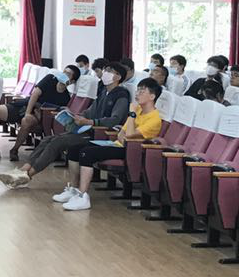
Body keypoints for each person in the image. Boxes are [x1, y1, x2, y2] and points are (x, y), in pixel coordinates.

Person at [0, 63, 130, 189]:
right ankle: (23, 170)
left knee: (57, 142)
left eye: (109, 71)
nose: (105, 73)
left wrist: (89, 122)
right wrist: (75, 116)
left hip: (99, 135)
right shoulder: (104, 92)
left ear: (118, 77)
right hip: (86, 129)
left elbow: (115, 120)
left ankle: (27, 175)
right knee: (47, 139)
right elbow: (89, 112)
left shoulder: (121, 95)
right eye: (105, 70)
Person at [54, 77, 166, 211]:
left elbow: (129, 135)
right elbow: (121, 134)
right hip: (118, 144)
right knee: (74, 149)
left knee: (86, 153)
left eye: (142, 91)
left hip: (131, 151)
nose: (137, 94)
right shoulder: (138, 111)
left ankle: (83, 196)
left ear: (152, 96)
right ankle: (73, 189)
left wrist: (131, 115)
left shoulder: (154, 118)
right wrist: (128, 128)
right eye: (137, 90)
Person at [0, 64, 79, 160]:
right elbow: (35, 94)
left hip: (38, 117)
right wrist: (27, 112)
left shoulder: (65, 98)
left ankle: (14, 150)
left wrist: (36, 115)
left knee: (26, 121)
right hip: (25, 106)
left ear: (72, 81)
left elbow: (55, 114)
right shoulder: (50, 79)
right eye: (64, 72)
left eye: (68, 74)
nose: (64, 74)